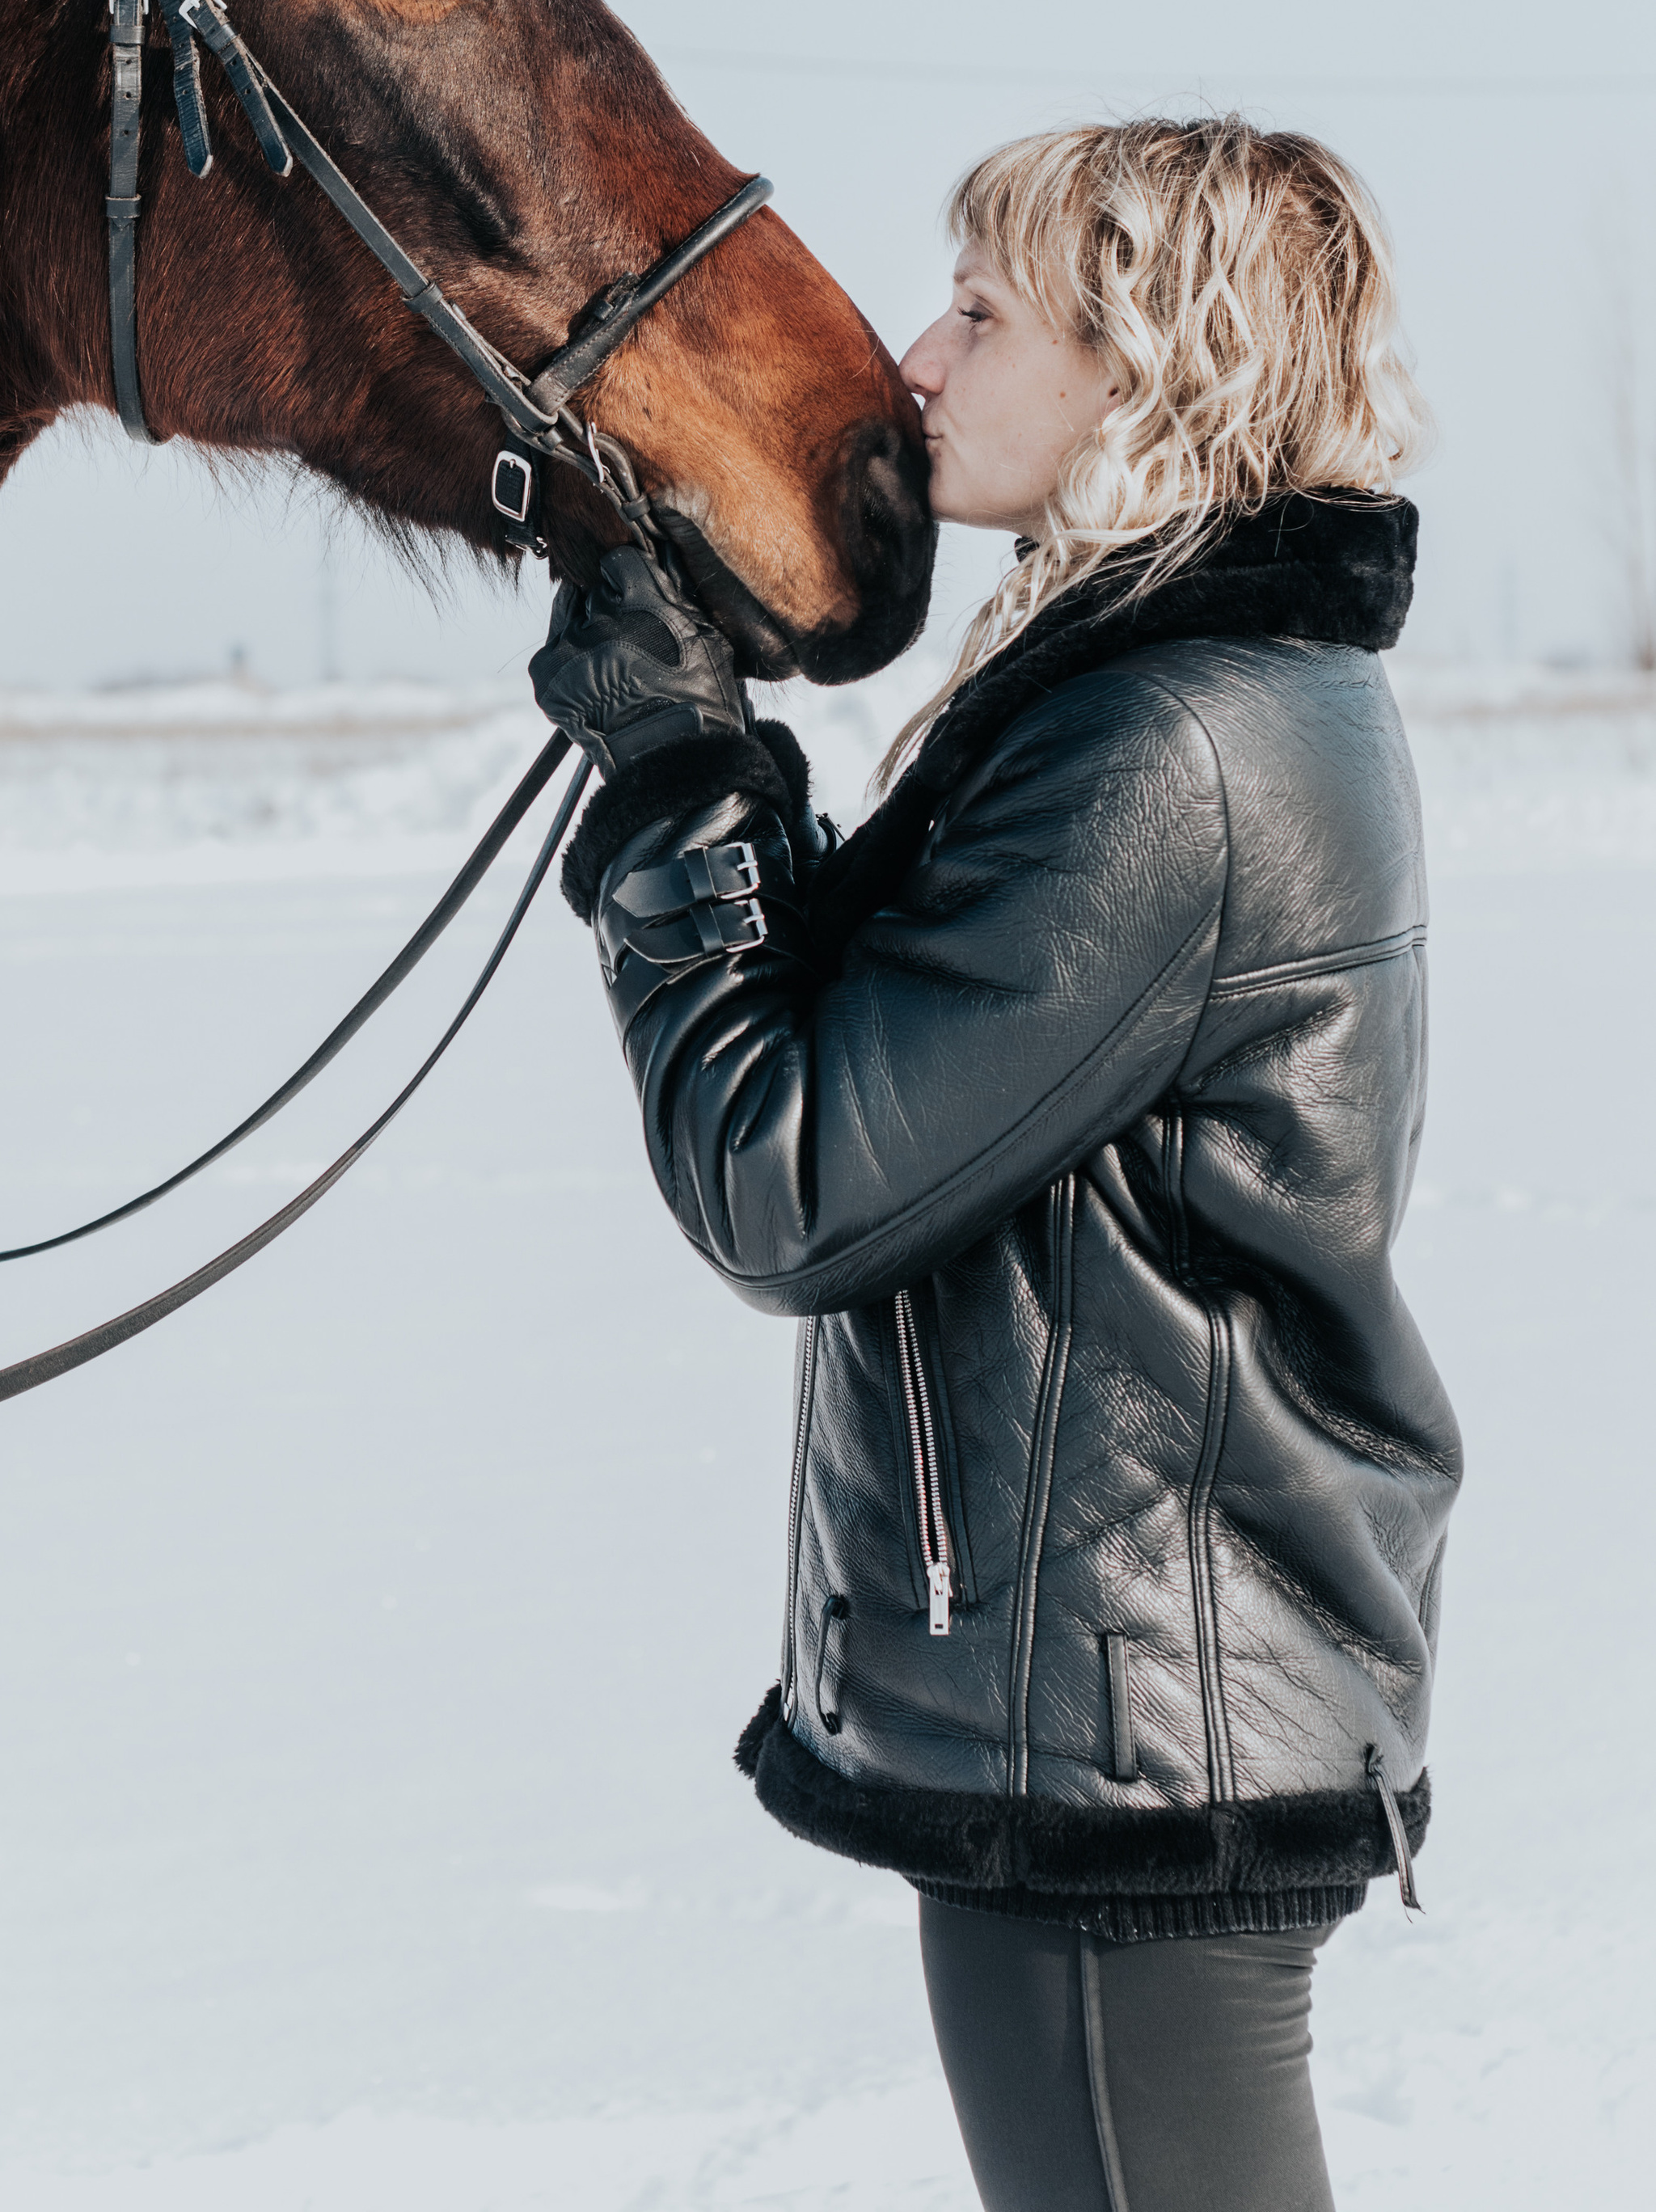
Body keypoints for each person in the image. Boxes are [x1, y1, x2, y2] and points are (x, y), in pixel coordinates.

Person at [528, 116, 1458, 2212]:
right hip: (1124, 1696)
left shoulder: (1175, 750)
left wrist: (681, 789)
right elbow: (889, 1039)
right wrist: (723, 744)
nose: (915, 362)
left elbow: (792, 1177)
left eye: (978, 310)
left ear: (1150, 360)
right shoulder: (1171, 695)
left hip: (1139, 1739)